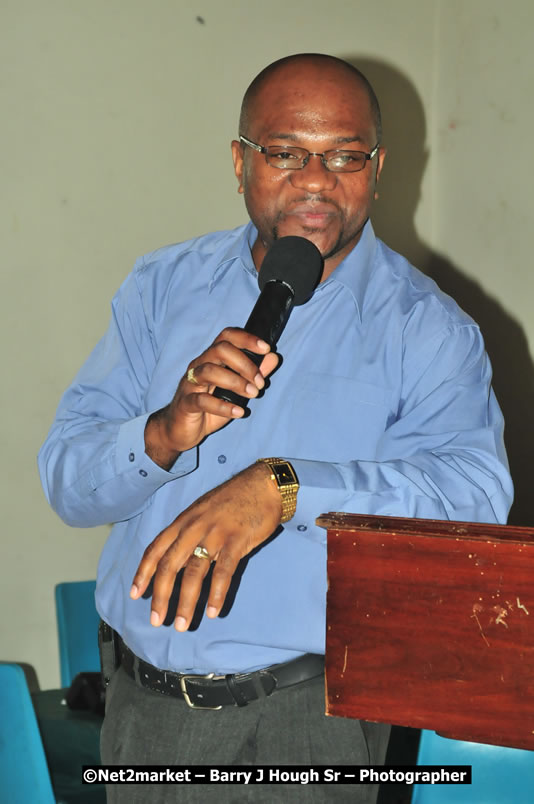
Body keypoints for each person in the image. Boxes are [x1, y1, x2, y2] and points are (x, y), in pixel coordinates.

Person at [39, 53, 513, 803]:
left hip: (310, 724)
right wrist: (162, 434)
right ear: (240, 161)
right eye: (288, 153)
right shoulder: (160, 287)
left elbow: (475, 499)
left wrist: (287, 489)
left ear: (377, 167)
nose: (317, 179)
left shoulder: (427, 329)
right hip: (142, 716)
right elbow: (67, 483)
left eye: (344, 155)